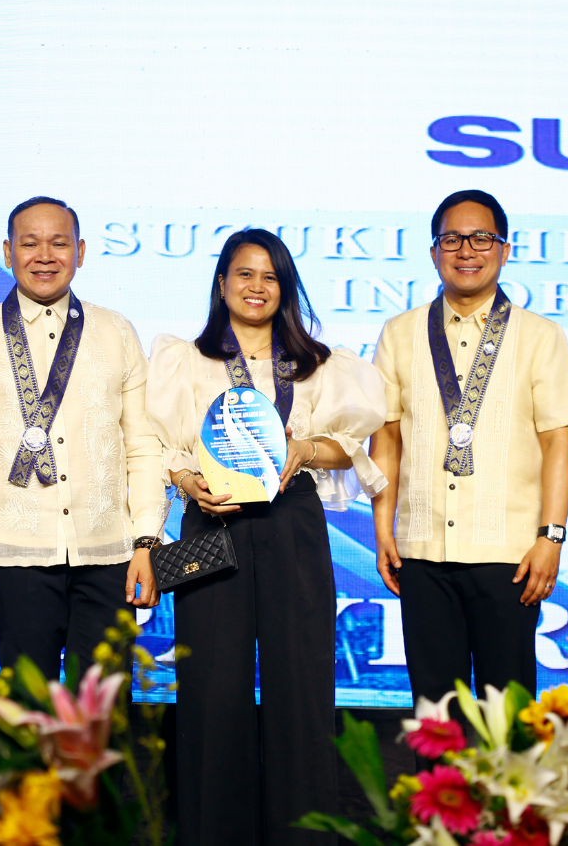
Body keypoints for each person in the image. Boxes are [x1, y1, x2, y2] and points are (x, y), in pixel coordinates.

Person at [147, 229, 387, 846]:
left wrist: (303, 447)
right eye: (244, 274)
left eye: (270, 276)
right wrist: (183, 479)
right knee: (212, 691)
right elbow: (156, 445)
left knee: (301, 688)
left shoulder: (318, 365)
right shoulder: (185, 360)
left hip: (292, 524)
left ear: (286, 287)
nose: (256, 287)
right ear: (221, 282)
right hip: (212, 519)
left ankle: (301, 834)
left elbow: (349, 446)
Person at [369, 189, 568, 716]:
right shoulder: (400, 334)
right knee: (434, 719)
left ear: (504, 249)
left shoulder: (540, 336)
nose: (466, 250)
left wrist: (550, 538)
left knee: (507, 723)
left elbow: (559, 442)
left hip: (508, 557)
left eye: (480, 238)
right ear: (434, 251)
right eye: (452, 239)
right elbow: (387, 439)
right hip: (422, 552)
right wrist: (383, 531)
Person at [0, 196, 162, 682]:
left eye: (59, 243)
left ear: (80, 252)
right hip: (13, 557)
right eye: (30, 243)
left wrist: (146, 542)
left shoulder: (116, 332)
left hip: (109, 556)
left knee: (101, 718)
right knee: (26, 715)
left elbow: (141, 445)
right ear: (7, 251)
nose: (45, 255)